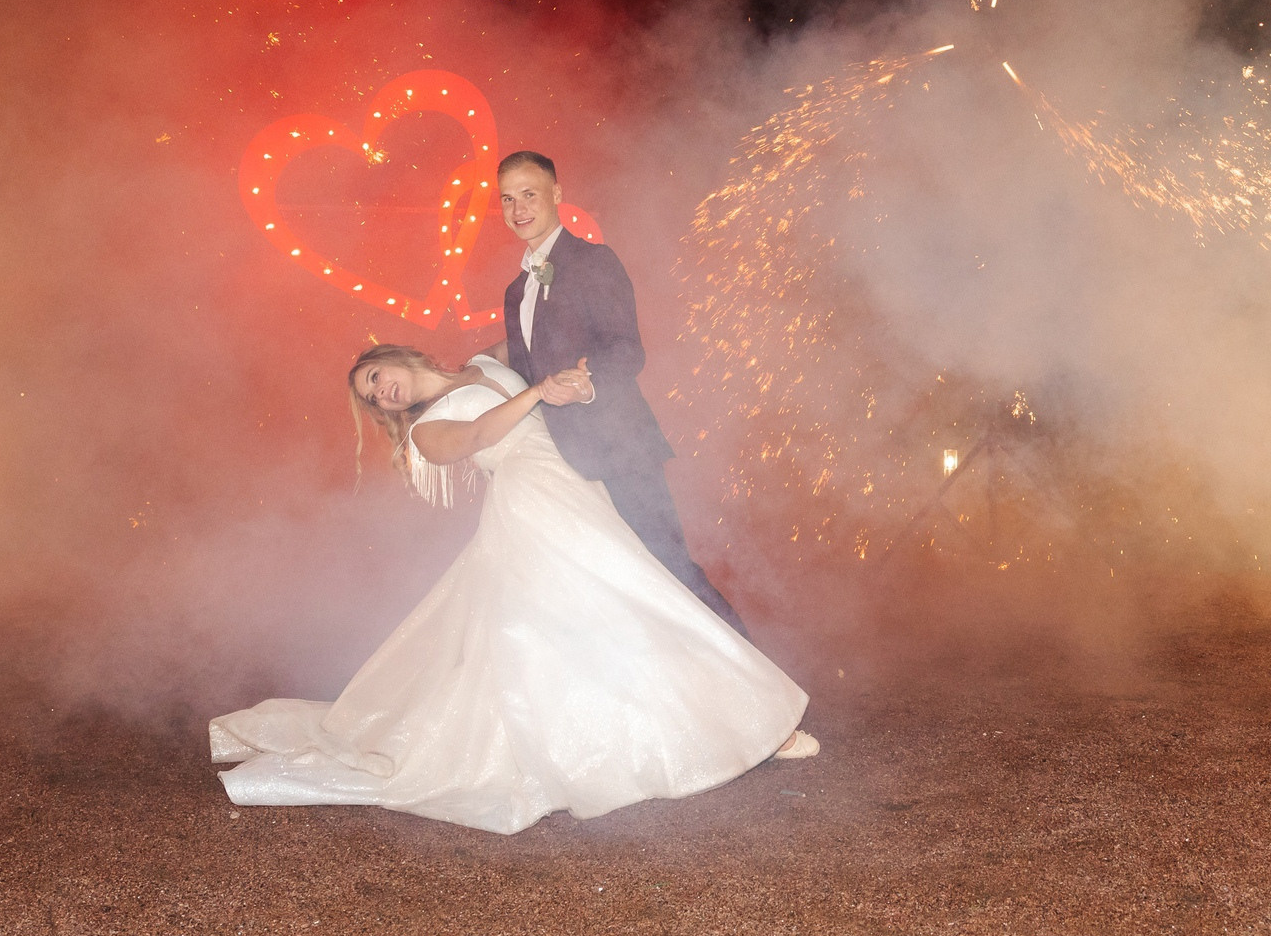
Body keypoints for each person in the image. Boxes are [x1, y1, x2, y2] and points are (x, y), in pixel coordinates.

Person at [208, 344, 817, 834]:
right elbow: (473, 439)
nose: (382, 391)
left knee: (625, 602)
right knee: (626, 602)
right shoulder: (425, 432)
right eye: (372, 396)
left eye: (376, 375)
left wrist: (576, 378)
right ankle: (736, 729)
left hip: (576, 477)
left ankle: (720, 726)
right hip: (533, 499)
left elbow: (550, 348)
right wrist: (536, 392)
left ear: (394, 356)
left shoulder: (483, 356)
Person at [490, 150, 747, 630]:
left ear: (557, 195)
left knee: (669, 569)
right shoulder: (513, 291)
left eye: (529, 195)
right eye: (507, 199)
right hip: (559, 466)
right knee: (610, 589)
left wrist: (587, 386)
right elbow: (529, 374)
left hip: (620, 447)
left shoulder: (593, 259)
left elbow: (628, 350)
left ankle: (763, 689)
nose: (518, 209)